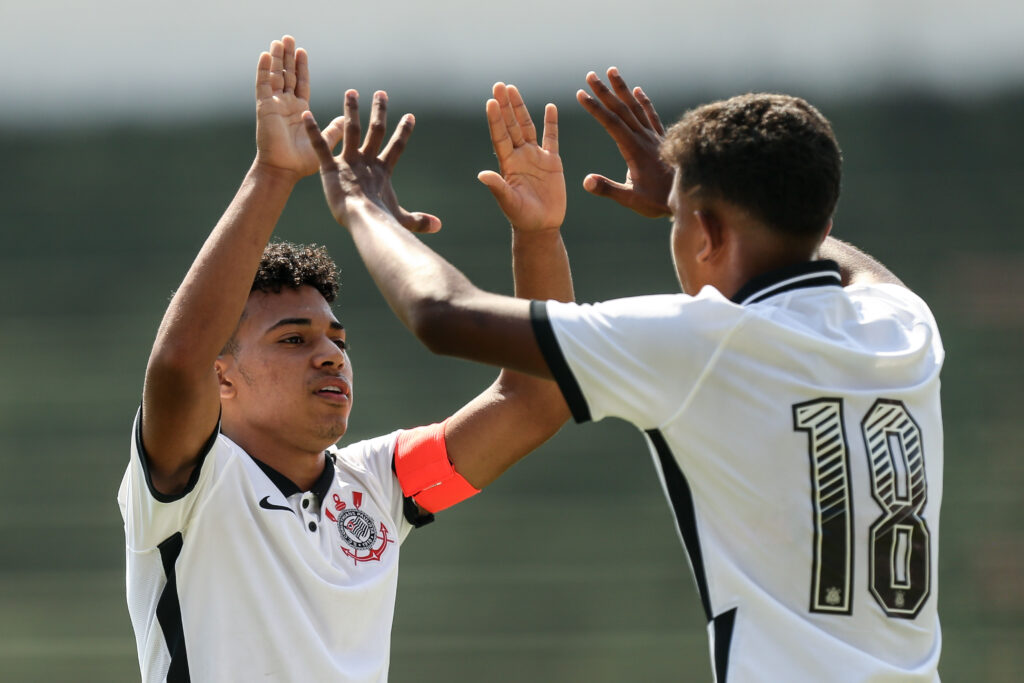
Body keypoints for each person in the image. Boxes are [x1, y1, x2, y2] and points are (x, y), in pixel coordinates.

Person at [302, 69, 944, 681]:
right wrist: (689, 196)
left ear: (708, 232)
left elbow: (443, 316)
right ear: (824, 221)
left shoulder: (702, 344)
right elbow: (846, 260)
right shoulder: (902, 324)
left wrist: (362, 205)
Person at [117, 35, 572, 682]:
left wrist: (539, 236)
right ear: (223, 374)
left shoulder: (382, 485)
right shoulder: (190, 480)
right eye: (294, 339)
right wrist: (273, 175)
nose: (330, 355)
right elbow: (175, 364)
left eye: (338, 339)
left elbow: (535, 401)